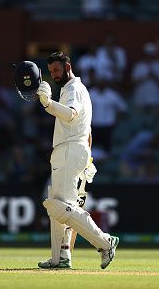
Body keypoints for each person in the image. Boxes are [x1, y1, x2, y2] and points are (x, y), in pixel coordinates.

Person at [33, 52, 118, 269]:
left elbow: (70, 114)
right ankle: (60, 257)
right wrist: (87, 157)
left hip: (70, 150)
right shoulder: (76, 90)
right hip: (73, 150)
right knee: (60, 207)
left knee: (60, 207)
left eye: (57, 70)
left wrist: (47, 103)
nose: (54, 75)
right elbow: (86, 129)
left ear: (68, 67)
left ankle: (105, 242)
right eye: (51, 72)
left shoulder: (72, 89)